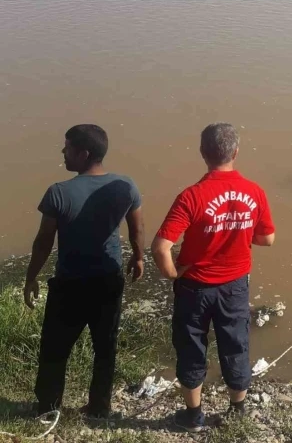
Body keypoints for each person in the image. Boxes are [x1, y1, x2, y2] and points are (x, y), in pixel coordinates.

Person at [151, 123, 275, 432]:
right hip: (234, 286)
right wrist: (238, 233)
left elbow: (160, 248)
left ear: (203, 154)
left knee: (191, 346)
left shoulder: (191, 197)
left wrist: (172, 274)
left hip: (194, 287)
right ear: (235, 152)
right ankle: (238, 409)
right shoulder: (254, 191)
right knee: (236, 343)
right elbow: (268, 238)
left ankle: (193, 416)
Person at [23, 124, 145, 418]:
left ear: (83, 153)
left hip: (70, 285)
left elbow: (43, 243)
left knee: (55, 349)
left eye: (67, 148)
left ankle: (48, 408)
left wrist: (31, 277)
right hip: (109, 280)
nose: (63, 153)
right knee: (105, 348)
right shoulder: (126, 186)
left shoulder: (59, 193)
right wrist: (139, 257)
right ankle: (100, 407)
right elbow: (137, 227)